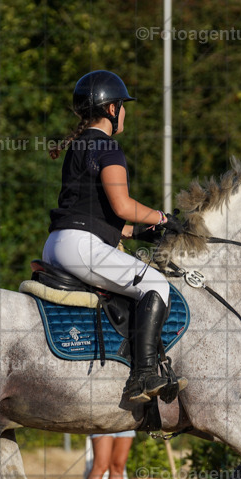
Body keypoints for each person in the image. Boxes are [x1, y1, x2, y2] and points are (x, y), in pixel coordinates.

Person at [44, 70, 187, 404]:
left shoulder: (78, 146)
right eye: (123, 107)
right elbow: (122, 206)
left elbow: (94, 211)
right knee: (156, 284)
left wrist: (136, 231)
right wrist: (163, 218)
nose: (124, 114)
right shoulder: (108, 147)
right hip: (80, 247)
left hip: (57, 244)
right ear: (112, 109)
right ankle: (143, 376)